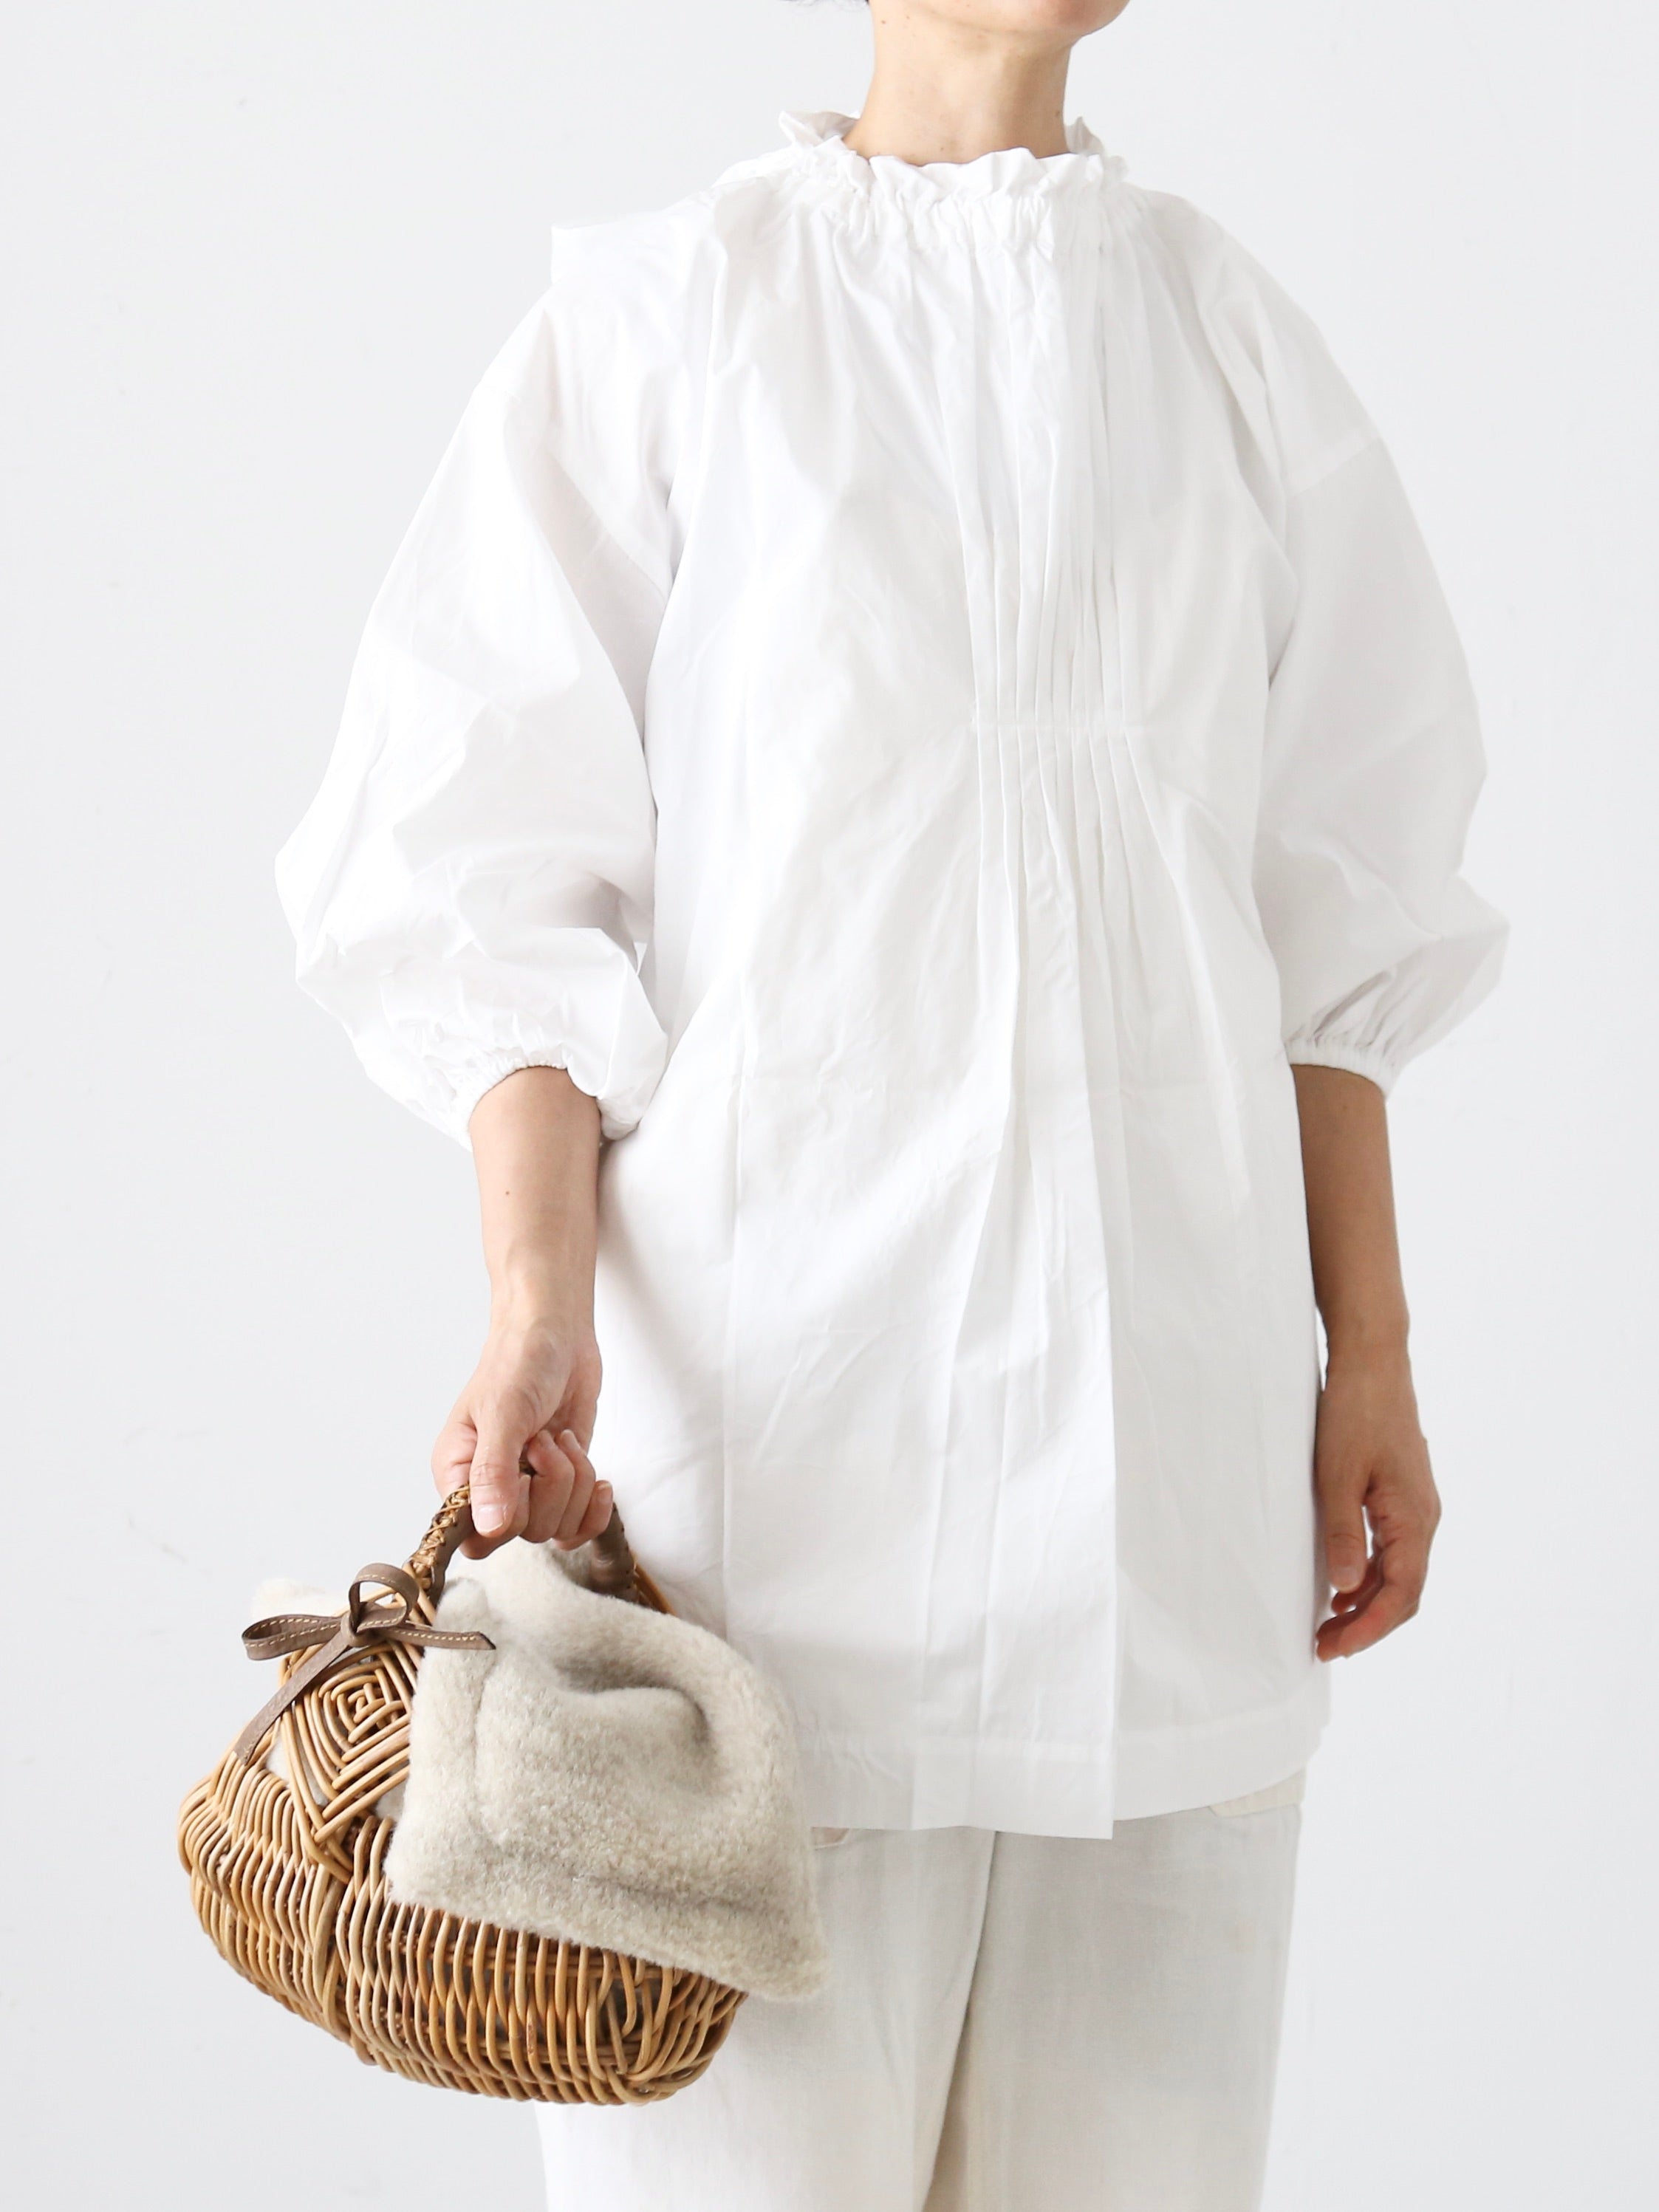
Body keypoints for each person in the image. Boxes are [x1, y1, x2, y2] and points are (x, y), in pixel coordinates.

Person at [276, 3, 1505, 2205]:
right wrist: (536, 1307)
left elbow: (1334, 911)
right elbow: (489, 879)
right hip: (768, 1551)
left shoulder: (1227, 345)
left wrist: (1376, 1354)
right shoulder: (670, 320)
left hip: (1166, 1508)